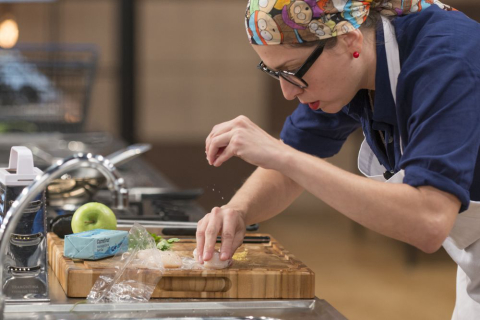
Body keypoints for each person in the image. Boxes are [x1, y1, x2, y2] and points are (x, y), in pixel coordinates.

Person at [196, 0, 480, 318]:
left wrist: (282, 156)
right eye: (275, 73)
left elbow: (429, 220)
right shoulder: (351, 72)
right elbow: (293, 159)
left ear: (350, 40)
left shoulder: (446, 58)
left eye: (292, 71)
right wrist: (238, 211)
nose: (288, 93)